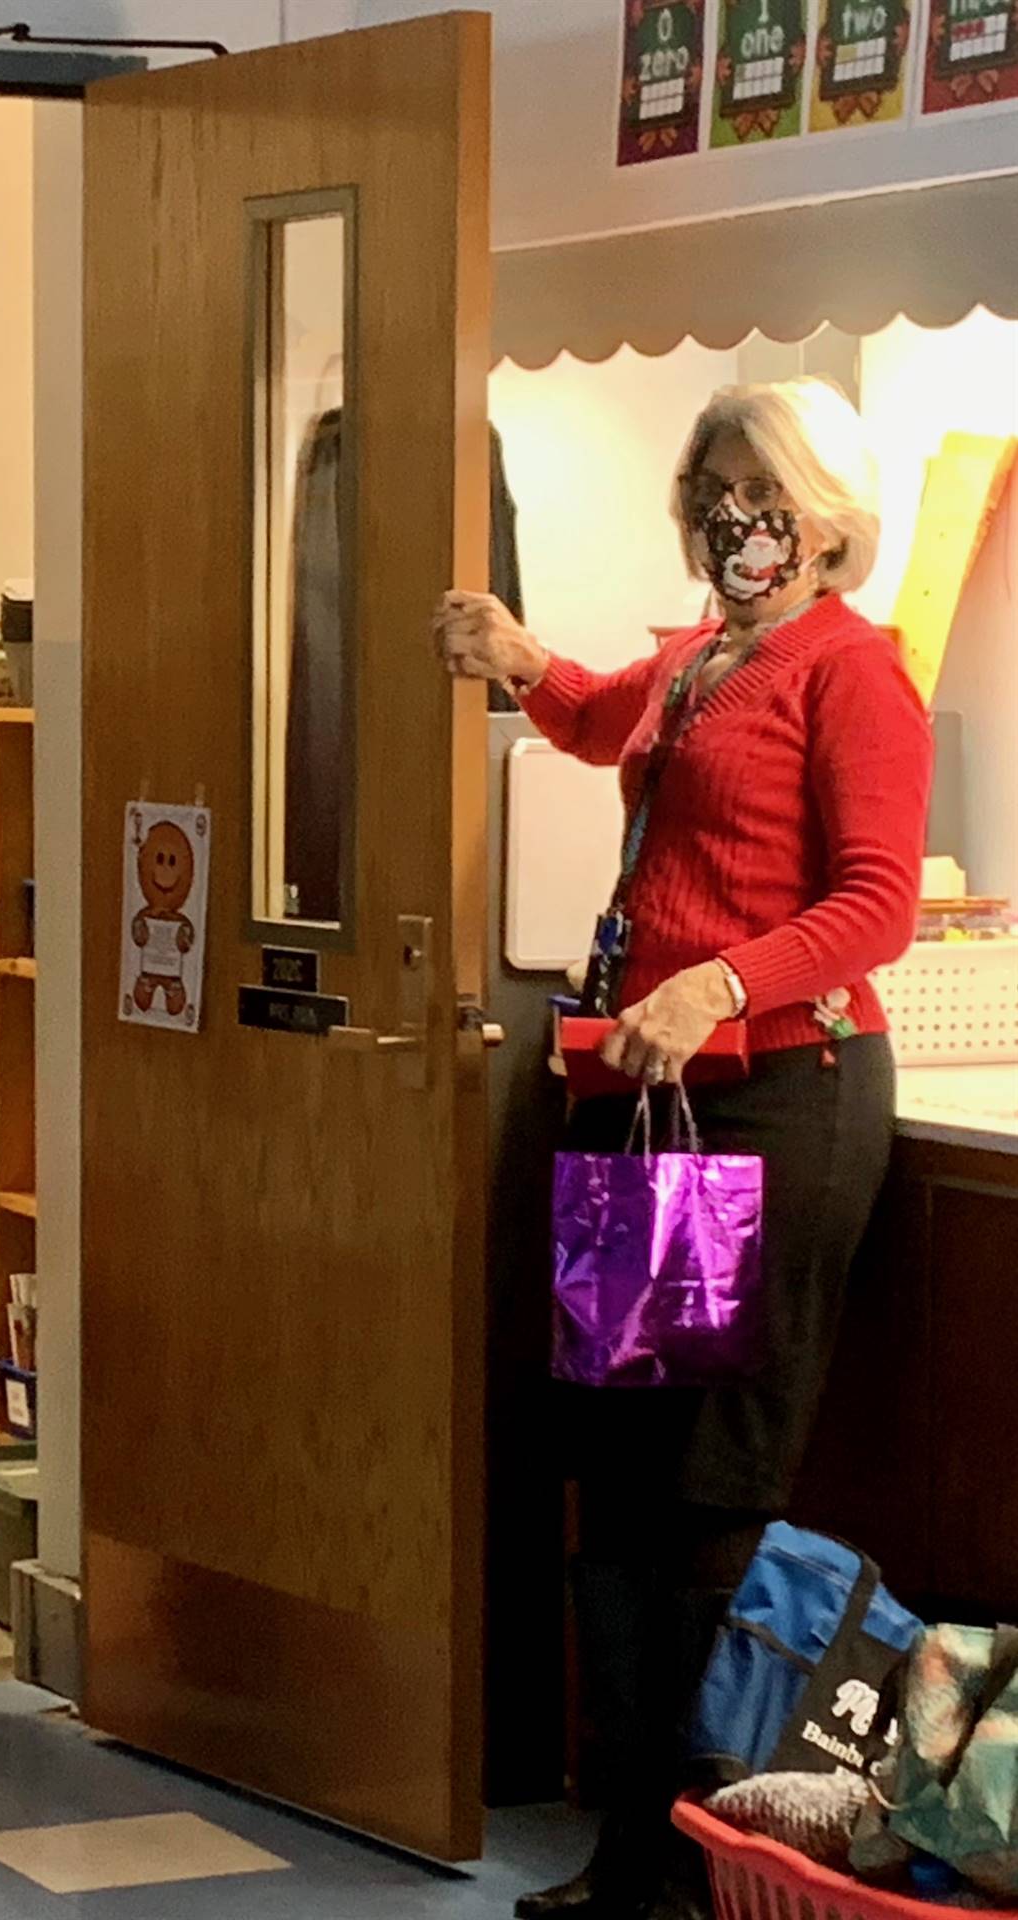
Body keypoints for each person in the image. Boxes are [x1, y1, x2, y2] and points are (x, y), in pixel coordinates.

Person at [436, 379, 932, 1918]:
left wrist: (720, 976)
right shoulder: (701, 662)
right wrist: (523, 664)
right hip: (648, 1107)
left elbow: (879, 905)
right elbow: (608, 720)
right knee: (619, 1475)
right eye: (711, 486)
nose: (733, 515)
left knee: (711, 1490)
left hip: (777, 1097)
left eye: (761, 488)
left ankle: (712, 1865)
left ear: (826, 516)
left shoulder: (854, 675)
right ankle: (634, 1848)